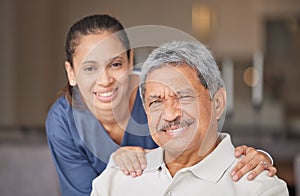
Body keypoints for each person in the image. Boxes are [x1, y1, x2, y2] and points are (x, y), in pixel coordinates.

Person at [46, 14, 276, 196]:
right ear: (71, 73)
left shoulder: (158, 89)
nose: (105, 80)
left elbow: (205, 141)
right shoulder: (63, 121)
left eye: (115, 64)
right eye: (89, 68)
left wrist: (253, 159)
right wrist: (116, 167)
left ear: (129, 60)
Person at [91, 41, 289, 196]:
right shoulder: (115, 178)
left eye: (184, 97)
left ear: (218, 103)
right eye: (156, 102)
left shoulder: (259, 189)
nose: (170, 115)